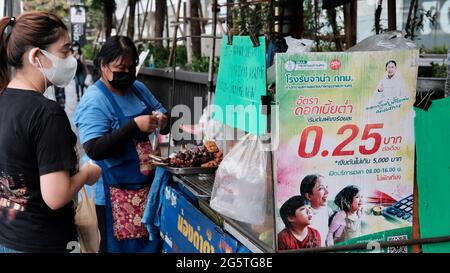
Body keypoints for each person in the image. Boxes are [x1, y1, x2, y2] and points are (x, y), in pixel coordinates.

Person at [0, 12, 101, 253]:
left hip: (7, 238)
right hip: (44, 242)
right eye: (64, 52)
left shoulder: (3, 100)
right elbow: (55, 196)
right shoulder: (47, 114)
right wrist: (87, 173)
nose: (70, 60)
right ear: (36, 56)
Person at [74, 35, 169, 253]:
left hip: (146, 190)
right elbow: (95, 149)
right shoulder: (94, 101)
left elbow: (162, 117)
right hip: (112, 196)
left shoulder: (138, 88)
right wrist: (134, 126)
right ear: (103, 66)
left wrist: (163, 121)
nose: (126, 73)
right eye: (120, 67)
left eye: (131, 66)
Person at [299, 174, 330, 247]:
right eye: (321, 188)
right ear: (309, 196)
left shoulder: (328, 210)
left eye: (327, 187)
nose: (327, 192)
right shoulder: (301, 217)